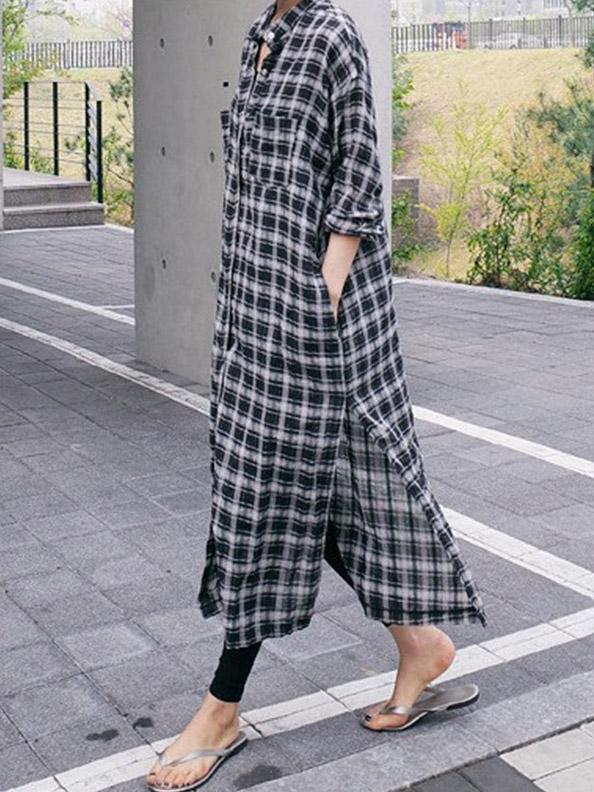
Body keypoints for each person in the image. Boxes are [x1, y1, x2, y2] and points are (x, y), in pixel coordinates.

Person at [146, 1, 487, 789]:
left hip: (315, 321)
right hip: (253, 311)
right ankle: (420, 645)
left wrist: (320, 294)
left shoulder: (333, 35)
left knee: (268, 491)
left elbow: (358, 177)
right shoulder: (261, 37)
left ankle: (221, 709)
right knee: (321, 493)